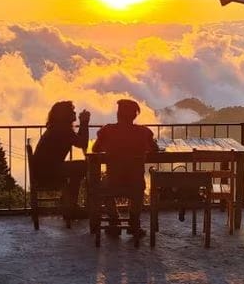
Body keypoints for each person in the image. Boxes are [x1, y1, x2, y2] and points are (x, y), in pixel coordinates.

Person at [91, 99, 158, 234]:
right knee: (138, 188)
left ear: (118, 114)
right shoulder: (144, 132)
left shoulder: (107, 131)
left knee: (103, 185)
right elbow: (154, 149)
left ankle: (114, 219)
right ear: (134, 115)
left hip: (113, 181)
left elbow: (95, 149)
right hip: (135, 183)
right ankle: (134, 223)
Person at [32, 101, 90, 215]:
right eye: (71, 111)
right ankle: (71, 205)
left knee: (79, 167)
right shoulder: (63, 129)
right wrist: (84, 122)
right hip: (48, 173)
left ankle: (69, 203)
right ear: (65, 115)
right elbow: (82, 142)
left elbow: (80, 142)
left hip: (43, 170)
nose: (74, 112)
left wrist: (83, 123)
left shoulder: (56, 128)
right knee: (83, 166)